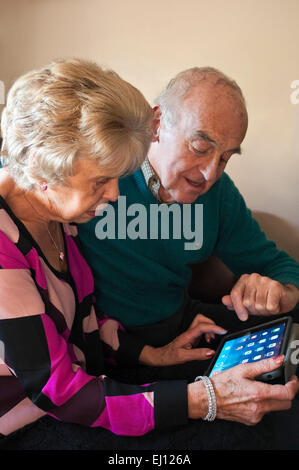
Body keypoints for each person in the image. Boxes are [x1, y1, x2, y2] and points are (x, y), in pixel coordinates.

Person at [0, 61, 298, 451]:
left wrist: (154, 356)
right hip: (50, 406)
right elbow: (57, 389)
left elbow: (86, 323)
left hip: (124, 355)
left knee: (276, 384)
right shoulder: (59, 205)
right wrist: (203, 399)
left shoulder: (60, 219)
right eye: (201, 147)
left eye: (225, 158)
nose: (113, 196)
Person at [78, 67, 299, 432]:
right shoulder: (101, 174)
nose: (211, 173)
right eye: (201, 147)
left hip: (186, 327)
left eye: (226, 157)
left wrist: (280, 294)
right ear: (157, 122)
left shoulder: (219, 194)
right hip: (114, 348)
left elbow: (278, 265)